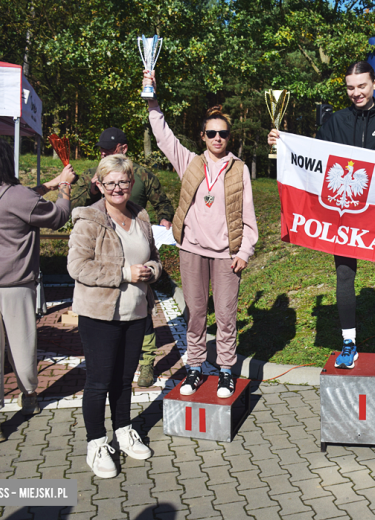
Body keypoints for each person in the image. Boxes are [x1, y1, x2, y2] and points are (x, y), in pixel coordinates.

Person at [268, 60, 375, 371]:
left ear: (374, 83)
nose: (356, 92)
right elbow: (313, 163)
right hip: (343, 211)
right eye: (350, 87)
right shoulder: (334, 122)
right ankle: (349, 342)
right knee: (345, 274)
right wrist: (283, 146)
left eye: (362, 86)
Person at [144, 71, 258, 398]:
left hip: (226, 254)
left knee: (224, 316)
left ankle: (224, 371)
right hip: (191, 250)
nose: (217, 138)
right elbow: (163, 135)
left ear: (228, 136)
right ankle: (195, 368)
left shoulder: (239, 169)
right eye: (212, 133)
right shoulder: (191, 164)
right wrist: (152, 99)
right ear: (203, 136)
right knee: (195, 314)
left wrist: (244, 252)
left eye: (223, 133)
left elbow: (249, 217)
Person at [0, 135, 74, 444]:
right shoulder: (17, 197)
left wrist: (48, 185)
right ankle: (29, 397)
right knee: (22, 343)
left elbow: (17, 200)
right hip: (14, 282)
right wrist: (64, 187)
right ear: (4, 163)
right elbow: (58, 217)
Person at [68, 154, 162, 478]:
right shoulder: (89, 219)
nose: (117, 187)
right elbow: (77, 267)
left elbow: (156, 258)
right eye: (110, 182)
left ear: (131, 183)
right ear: (100, 184)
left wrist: (152, 270)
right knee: (98, 382)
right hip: (99, 315)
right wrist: (123, 272)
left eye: (123, 181)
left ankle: (123, 430)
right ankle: (96, 443)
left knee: (124, 380)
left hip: (135, 313)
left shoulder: (141, 216)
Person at [71, 127, 175, 388]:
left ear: (124, 150)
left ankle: (147, 361)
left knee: (142, 312)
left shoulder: (142, 174)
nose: (104, 153)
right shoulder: (94, 175)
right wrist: (96, 187)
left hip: (136, 248)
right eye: (101, 150)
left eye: (110, 150)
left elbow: (163, 203)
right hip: (106, 256)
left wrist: (164, 218)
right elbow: (75, 206)